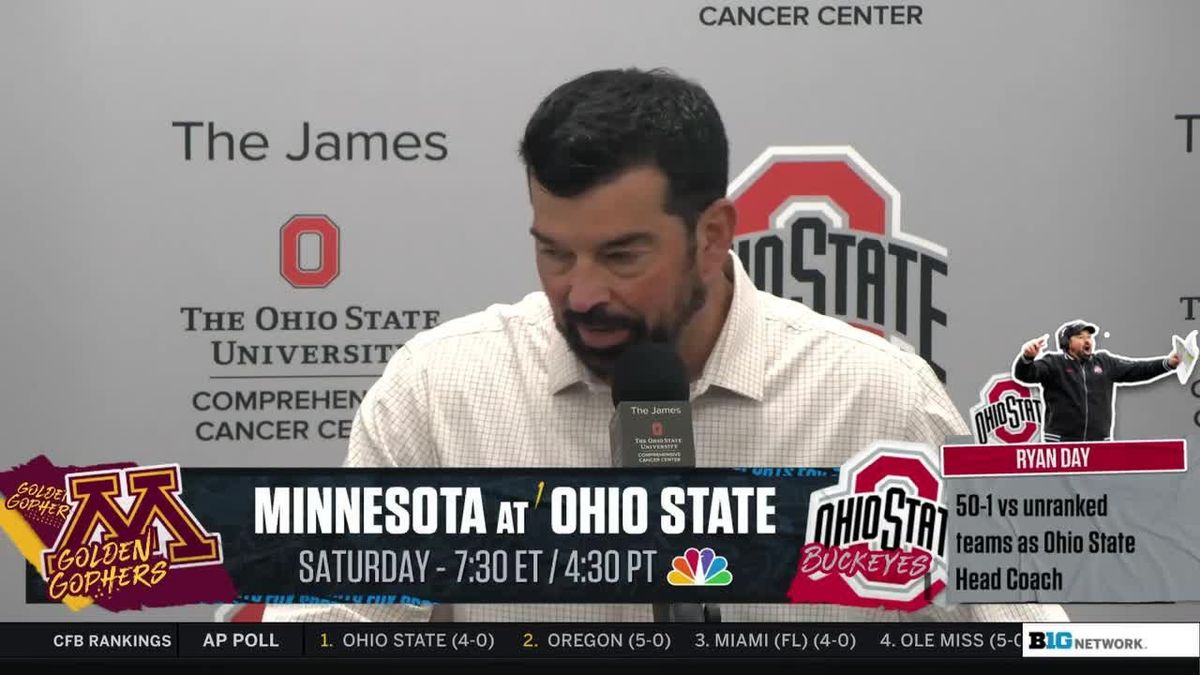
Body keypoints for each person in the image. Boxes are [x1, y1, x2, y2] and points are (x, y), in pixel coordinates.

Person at [265, 67, 1065, 623]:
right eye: (554, 252)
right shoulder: (440, 396)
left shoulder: (878, 403)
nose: (581, 293)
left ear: (712, 235)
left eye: (621, 256)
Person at [1014, 320, 1181, 442]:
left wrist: (1168, 363)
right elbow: (1024, 375)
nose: (1087, 340)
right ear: (1066, 343)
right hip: (1061, 443)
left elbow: (1138, 369)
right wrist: (1027, 358)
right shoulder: (1053, 363)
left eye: (1089, 337)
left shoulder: (1104, 362)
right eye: (1080, 337)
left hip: (1100, 442)